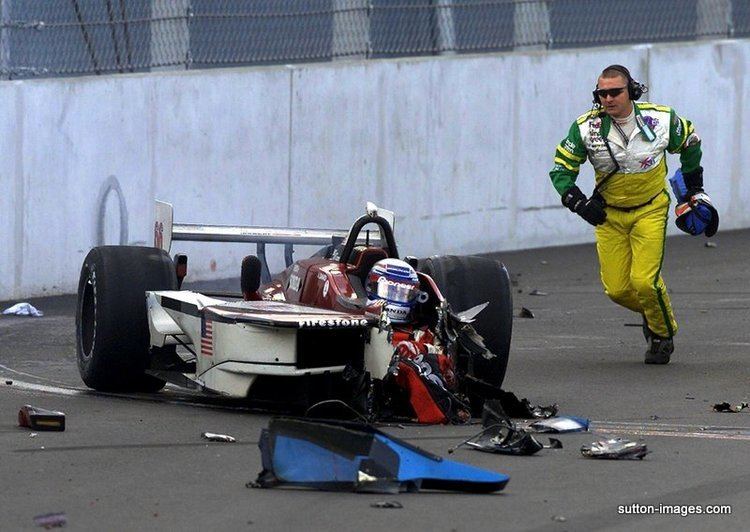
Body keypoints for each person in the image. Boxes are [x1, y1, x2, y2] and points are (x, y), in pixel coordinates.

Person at [549, 64, 707, 365]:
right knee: (618, 289)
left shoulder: (660, 119)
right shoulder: (585, 127)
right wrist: (579, 203)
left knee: (645, 283)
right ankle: (655, 312)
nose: (608, 98)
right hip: (609, 217)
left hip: (650, 209)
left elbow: (689, 141)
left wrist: (693, 188)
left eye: (614, 92)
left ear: (631, 91)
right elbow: (561, 169)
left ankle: (662, 334)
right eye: (602, 93)